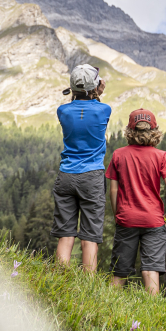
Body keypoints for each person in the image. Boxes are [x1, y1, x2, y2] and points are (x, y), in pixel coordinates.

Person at [107, 109, 166, 294]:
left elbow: (113, 190)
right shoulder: (162, 156)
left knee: (120, 271)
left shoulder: (118, 155)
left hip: (126, 218)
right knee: (151, 269)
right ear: (154, 130)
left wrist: (117, 215)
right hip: (154, 221)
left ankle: (108, 310)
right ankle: (152, 313)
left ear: (130, 130)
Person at [51, 64, 111, 273]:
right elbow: (95, 109)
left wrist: (89, 92)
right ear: (96, 86)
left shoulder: (63, 111)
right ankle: (87, 286)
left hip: (66, 174)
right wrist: (98, 93)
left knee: (66, 234)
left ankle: (59, 279)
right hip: (92, 176)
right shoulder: (104, 109)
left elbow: (76, 107)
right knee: (90, 236)